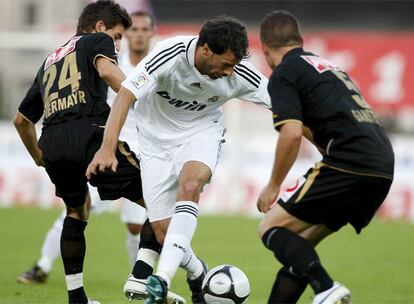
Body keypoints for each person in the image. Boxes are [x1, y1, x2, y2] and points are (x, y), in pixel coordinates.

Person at [86, 15, 271, 304]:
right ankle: (198, 272)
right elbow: (125, 95)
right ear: (205, 49)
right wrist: (107, 148)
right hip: (154, 143)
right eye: (226, 64)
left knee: (190, 185)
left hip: (201, 133)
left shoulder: (238, 75)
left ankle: (160, 278)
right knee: (162, 231)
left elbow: (288, 106)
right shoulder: (169, 54)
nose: (229, 72)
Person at [257, 10, 394, 304]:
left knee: (271, 227)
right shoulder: (327, 66)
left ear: (265, 49)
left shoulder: (284, 73)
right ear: (301, 41)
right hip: (381, 165)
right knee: (300, 252)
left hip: (349, 162)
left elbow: (291, 134)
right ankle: (320, 285)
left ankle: (326, 288)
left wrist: (272, 185)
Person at [16, 11, 155, 285]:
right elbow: (108, 73)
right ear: (101, 26)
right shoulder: (99, 43)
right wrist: (143, 101)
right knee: (161, 206)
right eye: (116, 36)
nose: (117, 43)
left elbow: (21, 120)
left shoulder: (50, 60)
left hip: (53, 142)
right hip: (99, 142)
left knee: (76, 212)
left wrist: (38, 157)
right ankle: (161, 278)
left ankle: (77, 296)